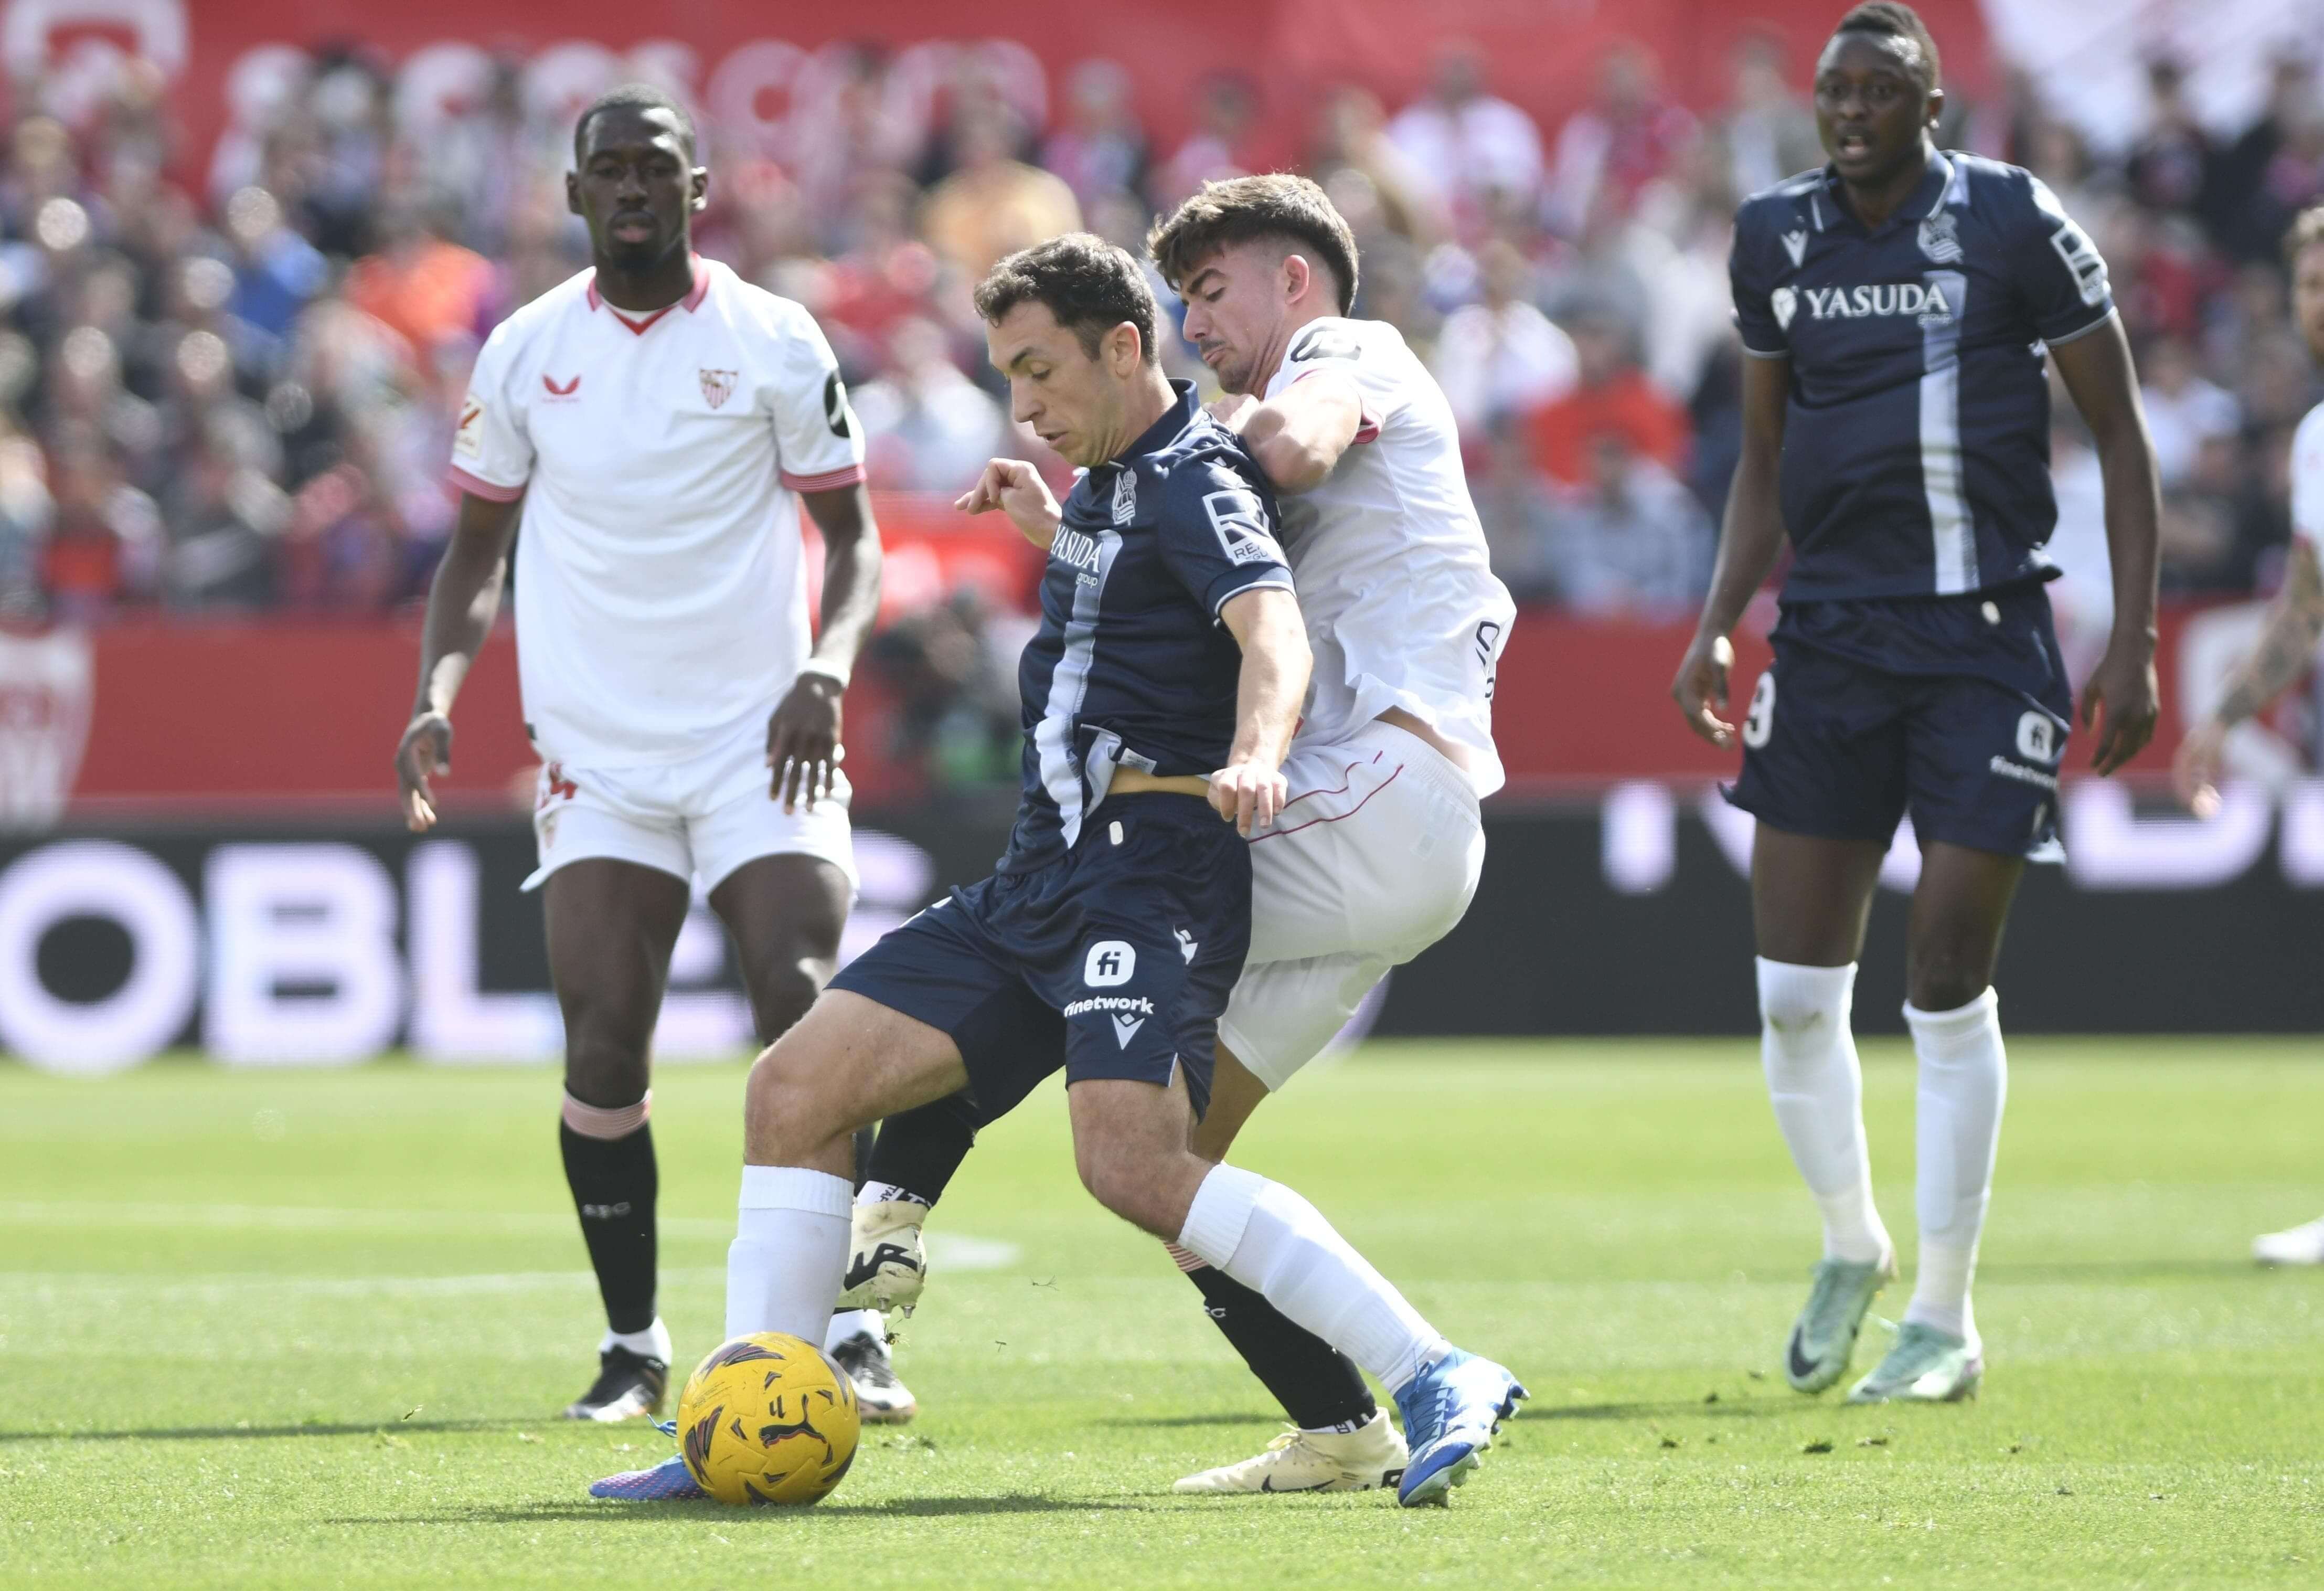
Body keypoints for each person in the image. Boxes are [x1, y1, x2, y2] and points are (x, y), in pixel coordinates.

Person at [589, 231, 1523, 1509]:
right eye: (1006, 378)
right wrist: (1066, 515)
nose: (1023, 405)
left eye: (1041, 372)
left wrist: (1255, 752)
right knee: (791, 1090)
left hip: (1150, 871)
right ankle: (751, 1418)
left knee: (1134, 1164)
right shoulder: (1119, 488)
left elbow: (1274, 632)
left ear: (1122, 349)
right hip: (1043, 876)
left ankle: (1430, 1368)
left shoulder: (1198, 474)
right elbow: (1135, 592)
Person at [842, 175, 1522, 1498]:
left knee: (1070, 907)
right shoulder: (1206, 435)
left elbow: (1291, 455)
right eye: (1182, 295)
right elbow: (1204, 541)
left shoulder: (1351, 351)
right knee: (1165, 1163)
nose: (1192, 318)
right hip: (1369, 822)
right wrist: (1086, 521)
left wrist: (1181, 450)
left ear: (1299, 282)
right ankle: (1347, 1424)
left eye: (1213, 289)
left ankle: (883, 1238)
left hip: (1368, 788)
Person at [1669, 3, 2162, 1405]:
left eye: (1878, 89)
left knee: (1944, 979)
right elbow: (1759, 458)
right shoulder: (1771, 235)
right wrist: (1716, 626)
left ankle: (1943, 1317)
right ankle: (1850, 1242)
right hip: (1822, 643)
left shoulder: (2009, 222)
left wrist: (2127, 645)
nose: (1848, 110)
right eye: (1833, 89)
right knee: (1786, 996)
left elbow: (2118, 435)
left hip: (1984, 637)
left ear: (1927, 107)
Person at [391, 85, 891, 1425]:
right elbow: (476, 553)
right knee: (604, 1043)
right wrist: (439, 688)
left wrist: (822, 671)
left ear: (696, 188)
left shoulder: (775, 339)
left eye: (652, 169)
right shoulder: (523, 352)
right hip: (597, 755)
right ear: (572, 196)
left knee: (802, 1002)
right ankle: (633, 1344)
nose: (629, 189)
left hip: (758, 742)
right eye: (605, 170)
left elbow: (851, 540)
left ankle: (845, 1329)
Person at [2173, 203, 2324, 1266]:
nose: (2318, 301)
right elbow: (2308, 604)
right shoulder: (2317, 437)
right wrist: (2223, 716)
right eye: (2310, 282)